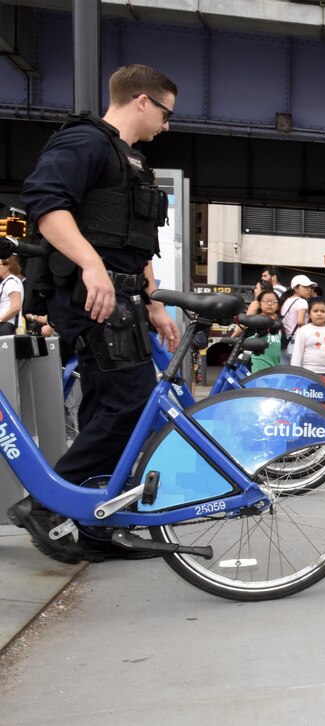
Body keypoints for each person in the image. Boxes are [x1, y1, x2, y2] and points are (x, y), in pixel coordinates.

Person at [11, 63, 181, 564]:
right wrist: (90, 265)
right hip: (91, 299)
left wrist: (153, 302)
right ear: (143, 101)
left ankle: (91, 523)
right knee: (129, 402)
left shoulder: (129, 161)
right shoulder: (85, 143)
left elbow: (132, 243)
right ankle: (45, 506)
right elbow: (45, 204)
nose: (167, 126)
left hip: (123, 300)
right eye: (166, 113)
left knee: (108, 406)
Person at [290, 299, 325, 377]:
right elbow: (297, 353)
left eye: (322, 311)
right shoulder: (304, 330)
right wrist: (295, 374)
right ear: (309, 314)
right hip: (311, 373)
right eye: (315, 311)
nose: (319, 314)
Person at [236, 288, 281, 373]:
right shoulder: (254, 321)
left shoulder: (280, 322)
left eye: (274, 302)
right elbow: (242, 333)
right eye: (266, 301)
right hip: (258, 364)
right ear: (259, 304)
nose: (270, 304)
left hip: (276, 364)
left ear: (278, 305)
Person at [280, 274, 316, 357]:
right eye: (306, 287)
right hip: (297, 341)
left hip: (285, 340)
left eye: (310, 287)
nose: (309, 290)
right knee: (298, 369)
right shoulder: (302, 302)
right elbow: (300, 322)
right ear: (296, 288)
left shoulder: (287, 300)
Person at [0, 256, 23, 335]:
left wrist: (1, 319)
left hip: (7, 325)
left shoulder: (11, 282)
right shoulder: (7, 282)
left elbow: (16, 306)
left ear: (7, 266)